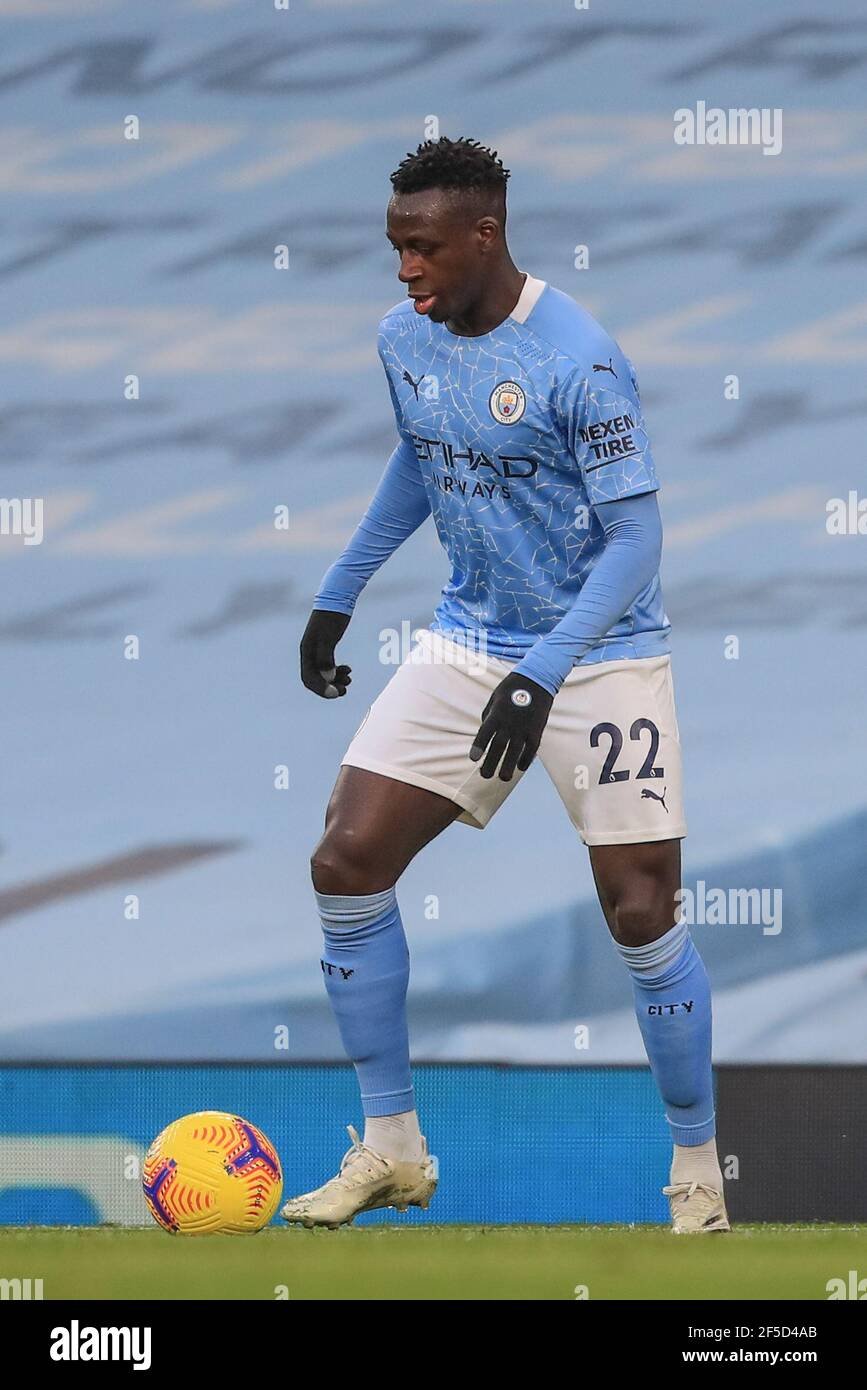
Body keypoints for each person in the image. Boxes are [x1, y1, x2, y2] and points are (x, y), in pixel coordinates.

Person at [281, 137, 729, 1235]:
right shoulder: (407, 338)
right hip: (471, 641)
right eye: (394, 247)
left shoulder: (580, 359)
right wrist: (339, 592)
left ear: (486, 235)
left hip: (603, 650)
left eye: (422, 247)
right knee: (347, 858)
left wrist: (546, 671)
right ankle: (392, 1150)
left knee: (640, 908)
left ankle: (700, 1178)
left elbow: (636, 539)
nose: (403, 270)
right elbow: (422, 454)